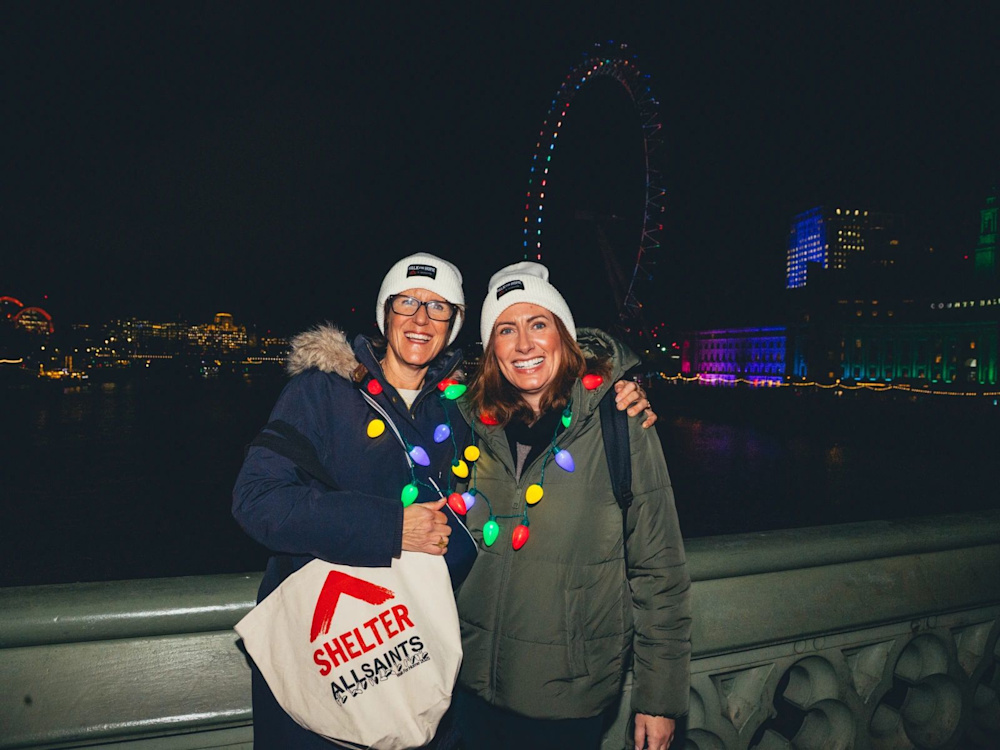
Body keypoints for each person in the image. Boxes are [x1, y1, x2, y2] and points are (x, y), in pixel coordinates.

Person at [232, 252, 655, 748]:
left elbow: (543, 401)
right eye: (407, 302)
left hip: (414, 658)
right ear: (383, 313)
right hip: (326, 657)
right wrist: (392, 526)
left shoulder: (461, 411)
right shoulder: (320, 393)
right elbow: (255, 499)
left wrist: (613, 393)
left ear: (454, 324)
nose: (420, 319)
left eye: (439, 308)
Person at [454, 262, 691, 750]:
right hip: (463, 694)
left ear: (563, 336)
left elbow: (659, 569)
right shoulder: (465, 428)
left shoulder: (619, 423)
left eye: (538, 324)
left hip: (566, 702)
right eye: (505, 329)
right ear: (491, 351)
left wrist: (659, 699)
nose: (524, 344)